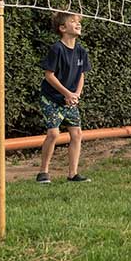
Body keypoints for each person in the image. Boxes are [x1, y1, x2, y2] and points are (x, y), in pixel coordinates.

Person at [36, 11, 92, 183]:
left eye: (79, 22)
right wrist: (66, 93)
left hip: (70, 100)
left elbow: (81, 75)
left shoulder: (81, 51)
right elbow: (49, 75)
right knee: (53, 134)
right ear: (62, 28)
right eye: (73, 21)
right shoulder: (57, 49)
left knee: (76, 134)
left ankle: (73, 174)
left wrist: (76, 95)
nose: (78, 24)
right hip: (51, 98)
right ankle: (43, 173)